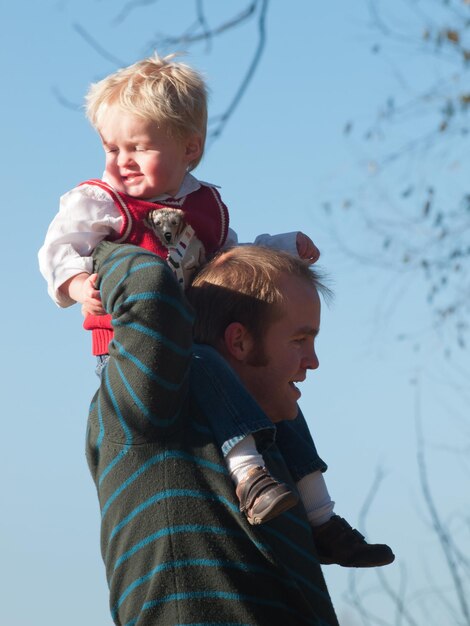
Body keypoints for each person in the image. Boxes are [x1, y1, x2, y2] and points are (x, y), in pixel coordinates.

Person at [87, 239, 339, 625]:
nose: (314, 361)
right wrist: (100, 242)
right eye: (299, 340)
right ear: (239, 340)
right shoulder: (161, 409)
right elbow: (151, 290)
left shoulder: (273, 441)